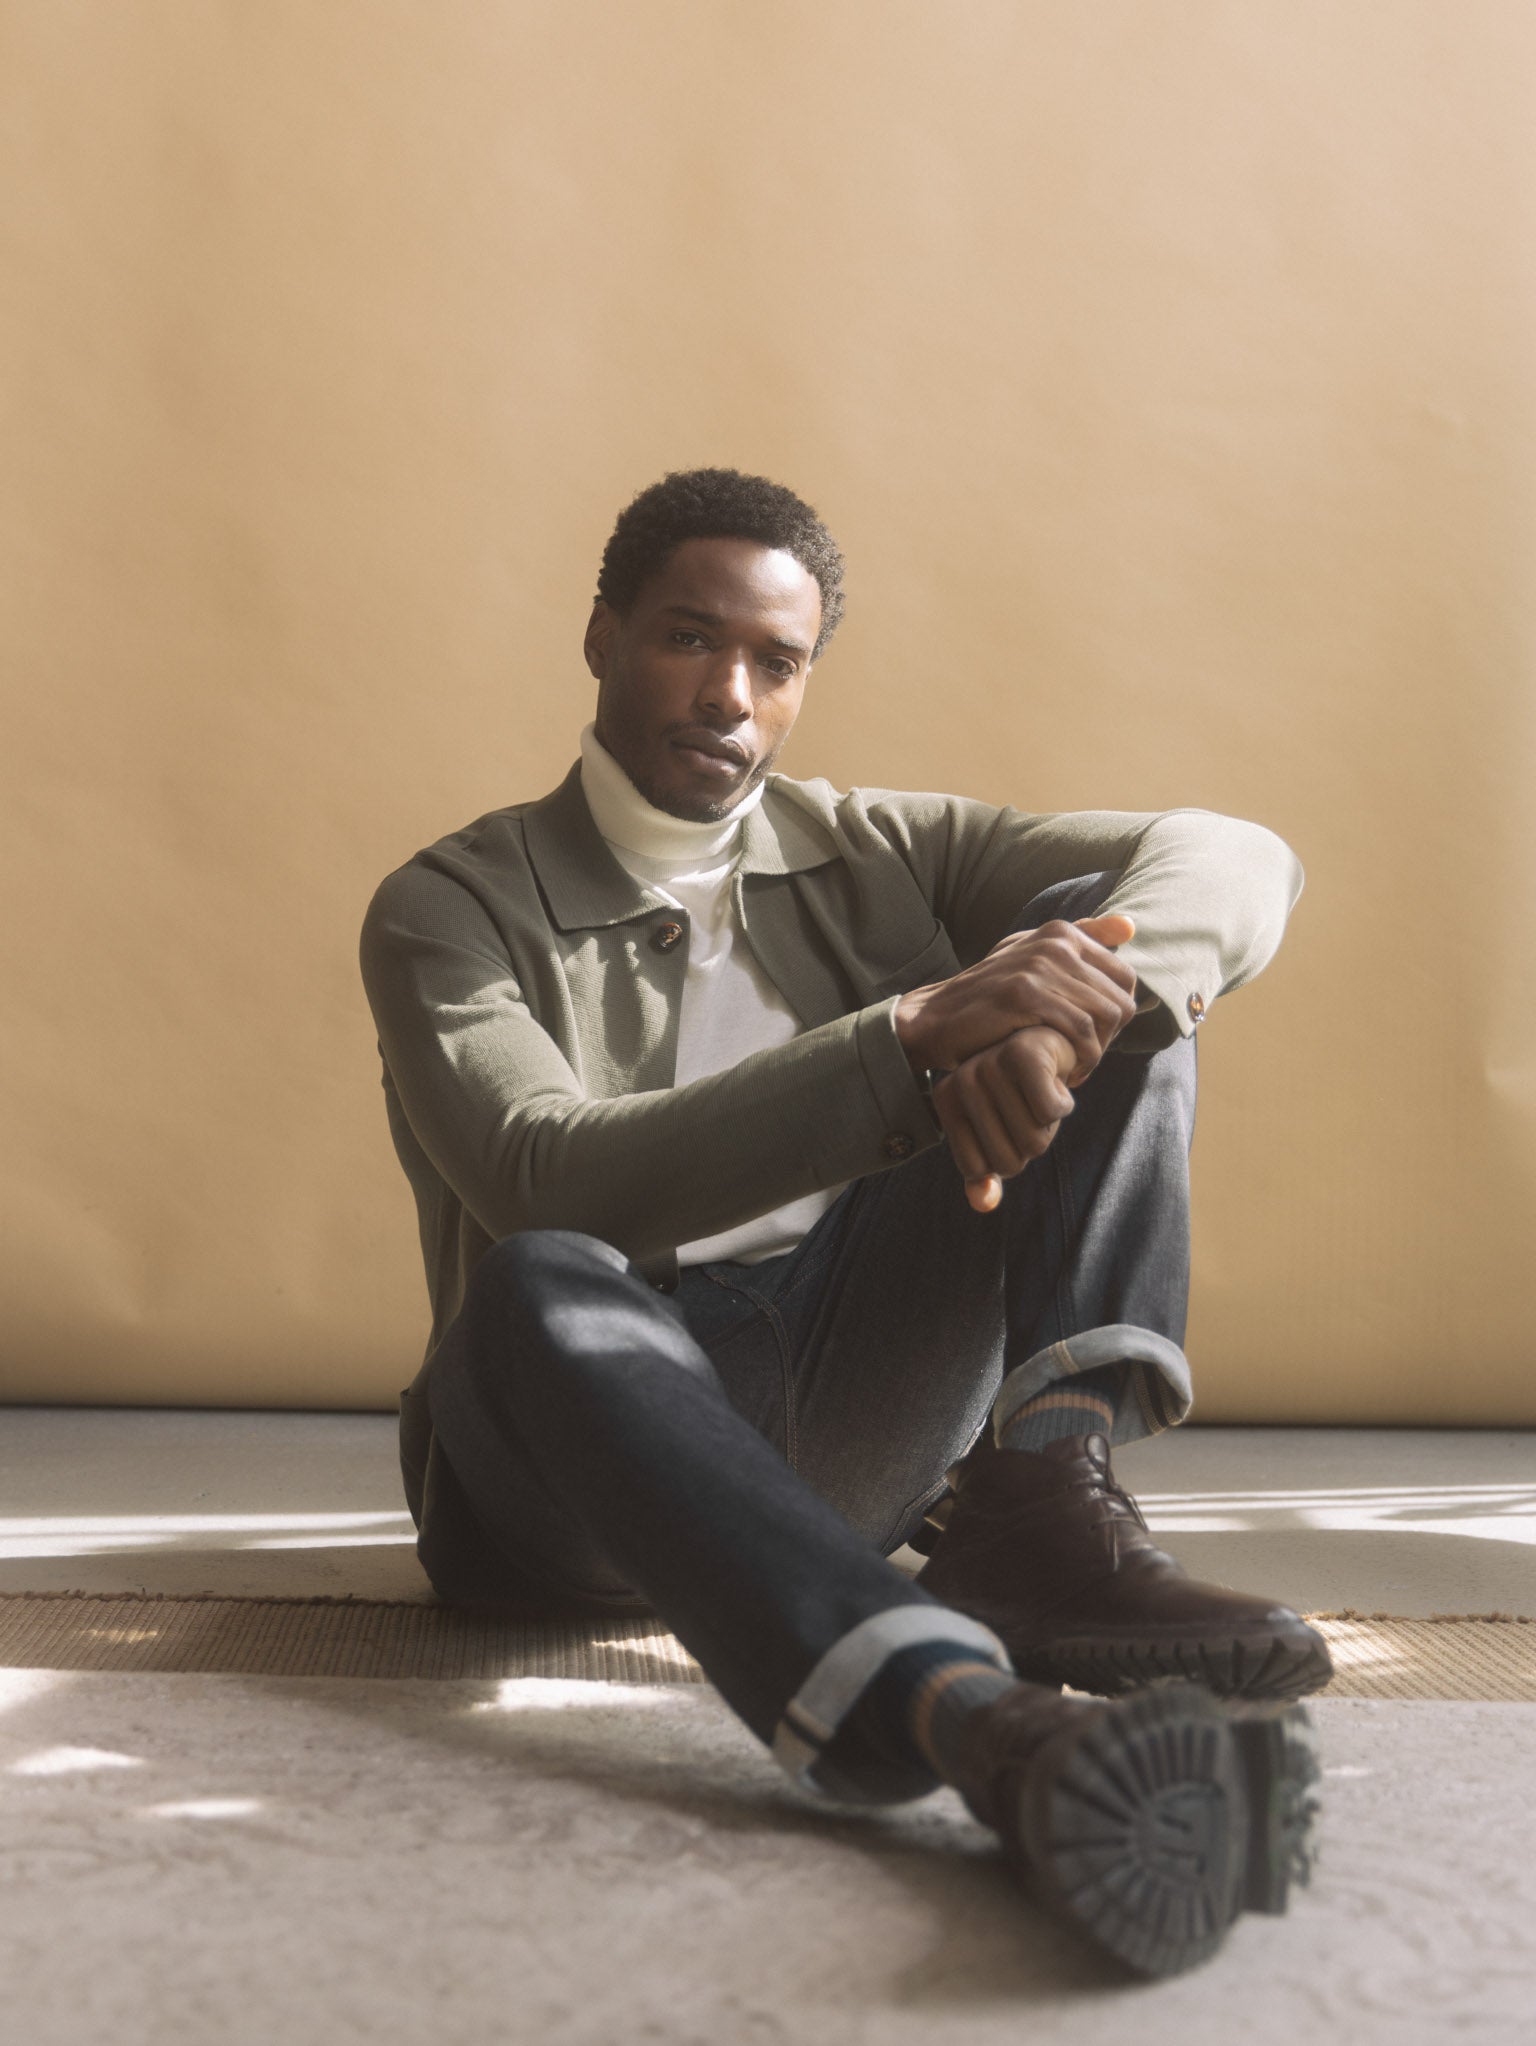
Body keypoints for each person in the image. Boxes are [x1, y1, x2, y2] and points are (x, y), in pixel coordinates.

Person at [360, 467, 1324, 1979]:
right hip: (575, 1459)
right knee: (539, 1277)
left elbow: (1240, 853)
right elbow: (545, 1175)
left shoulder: (883, 845)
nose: (730, 695)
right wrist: (920, 1031)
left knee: (1101, 938)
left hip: (854, 1403)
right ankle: (986, 1727)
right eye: (690, 638)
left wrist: (1059, 1016)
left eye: (777, 660)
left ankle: (1044, 1498)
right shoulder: (450, 906)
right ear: (604, 637)